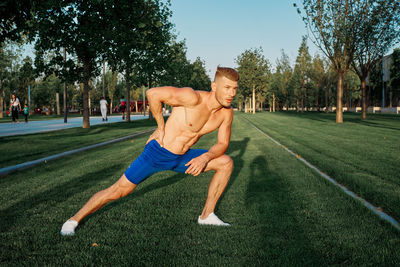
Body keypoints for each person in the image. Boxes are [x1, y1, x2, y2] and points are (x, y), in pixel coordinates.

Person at [61, 66, 239, 235]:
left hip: (182, 156)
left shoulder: (226, 113)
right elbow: (152, 94)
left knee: (225, 163)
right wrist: (161, 126)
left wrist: (205, 157)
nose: (232, 93)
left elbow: (223, 143)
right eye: (227, 88)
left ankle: (207, 215)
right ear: (214, 86)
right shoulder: (192, 98)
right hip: (157, 153)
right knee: (118, 191)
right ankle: (73, 220)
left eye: (234, 88)